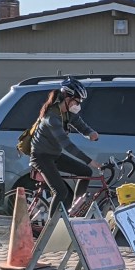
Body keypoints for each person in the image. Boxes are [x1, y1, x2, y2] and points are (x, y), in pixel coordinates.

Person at [30, 77, 100, 217]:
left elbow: (80, 124)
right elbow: (67, 145)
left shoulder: (68, 113)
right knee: (61, 191)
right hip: (41, 156)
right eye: (77, 101)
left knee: (85, 172)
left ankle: (76, 208)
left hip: (54, 154)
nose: (78, 105)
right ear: (67, 99)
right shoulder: (51, 117)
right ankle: (51, 226)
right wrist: (90, 161)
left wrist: (90, 133)